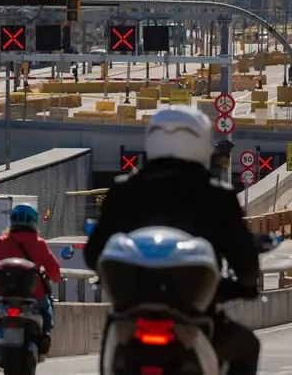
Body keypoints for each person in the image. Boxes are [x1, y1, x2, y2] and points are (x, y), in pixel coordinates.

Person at [84, 107, 262, 375]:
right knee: (247, 346)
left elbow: (93, 254)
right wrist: (245, 285)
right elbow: (244, 261)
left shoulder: (124, 190)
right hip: (196, 315)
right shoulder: (218, 196)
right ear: (202, 143)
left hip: (131, 317)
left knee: (113, 333)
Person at [0, 204, 62, 355]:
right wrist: (55, 277)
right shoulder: (39, 244)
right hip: (35, 295)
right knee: (46, 309)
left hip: (7, 294)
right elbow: (55, 272)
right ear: (34, 222)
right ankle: (45, 336)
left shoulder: (2, 242)